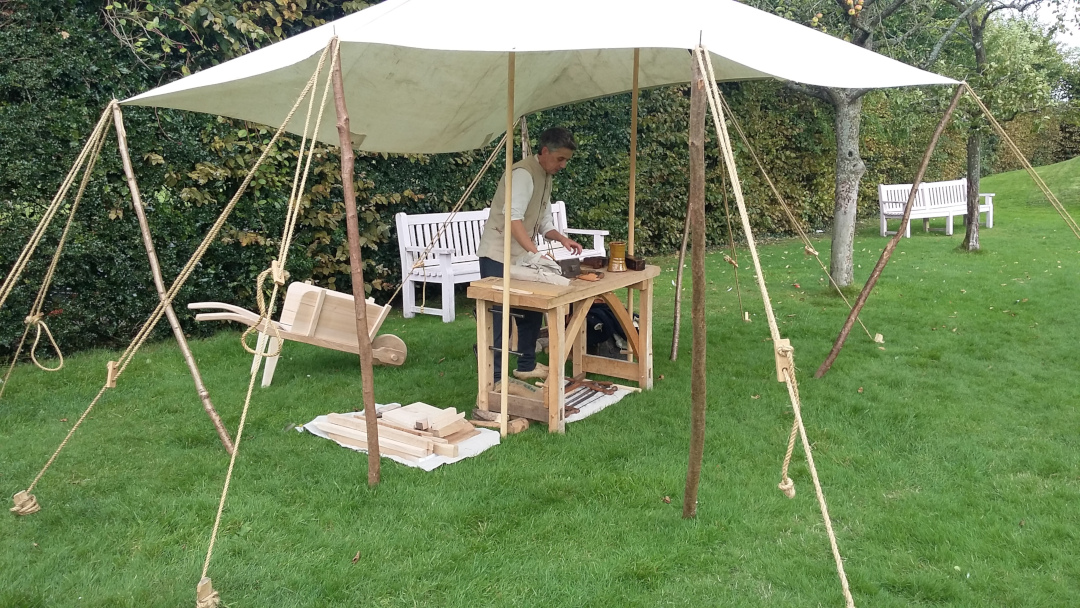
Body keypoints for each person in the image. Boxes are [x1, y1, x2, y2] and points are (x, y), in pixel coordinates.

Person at [477, 126, 583, 383]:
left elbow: (542, 220)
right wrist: (536, 254)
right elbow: (514, 220)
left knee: (531, 311)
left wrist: (562, 238)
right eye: (560, 159)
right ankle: (496, 379)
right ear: (545, 151)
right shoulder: (523, 174)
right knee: (499, 319)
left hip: (520, 256)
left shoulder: (546, 175)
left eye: (567, 160)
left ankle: (525, 366)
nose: (563, 165)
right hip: (497, 256)